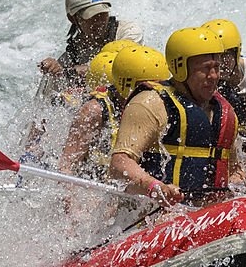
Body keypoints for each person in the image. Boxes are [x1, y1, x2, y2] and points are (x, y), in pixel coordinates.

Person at [110, 27, 241, 206]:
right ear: (181, 69)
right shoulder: (151, 103)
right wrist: (156, 188)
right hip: (152, 215)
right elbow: (120, 164)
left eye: (217, 67)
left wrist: (238, 181)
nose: (214, 76)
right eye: (206, 69)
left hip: (206, 217)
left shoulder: (225, 112)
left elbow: (234, 169)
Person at [58, 45, 169, 180]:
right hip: (95, 185)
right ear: (126, 84)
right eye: (149, 86)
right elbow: (66, 166)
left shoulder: (159, 106)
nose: (155, 92)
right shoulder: (95, 110)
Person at [37, 0, 143, 101]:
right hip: (100, 104)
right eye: (91, 16)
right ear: (73, 18)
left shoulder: (129, 32)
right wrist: (56, 73)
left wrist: (72, 72)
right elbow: (45, 101)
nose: (99, 21)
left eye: (102, 14)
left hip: (132, 98)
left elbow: (119, 64)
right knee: (51, 79)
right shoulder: (69, 58)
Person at [201, 18, 246, 136]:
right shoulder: (203, 81)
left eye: (224, 56)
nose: (218, 62)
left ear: (236, 52)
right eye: (212, 57)